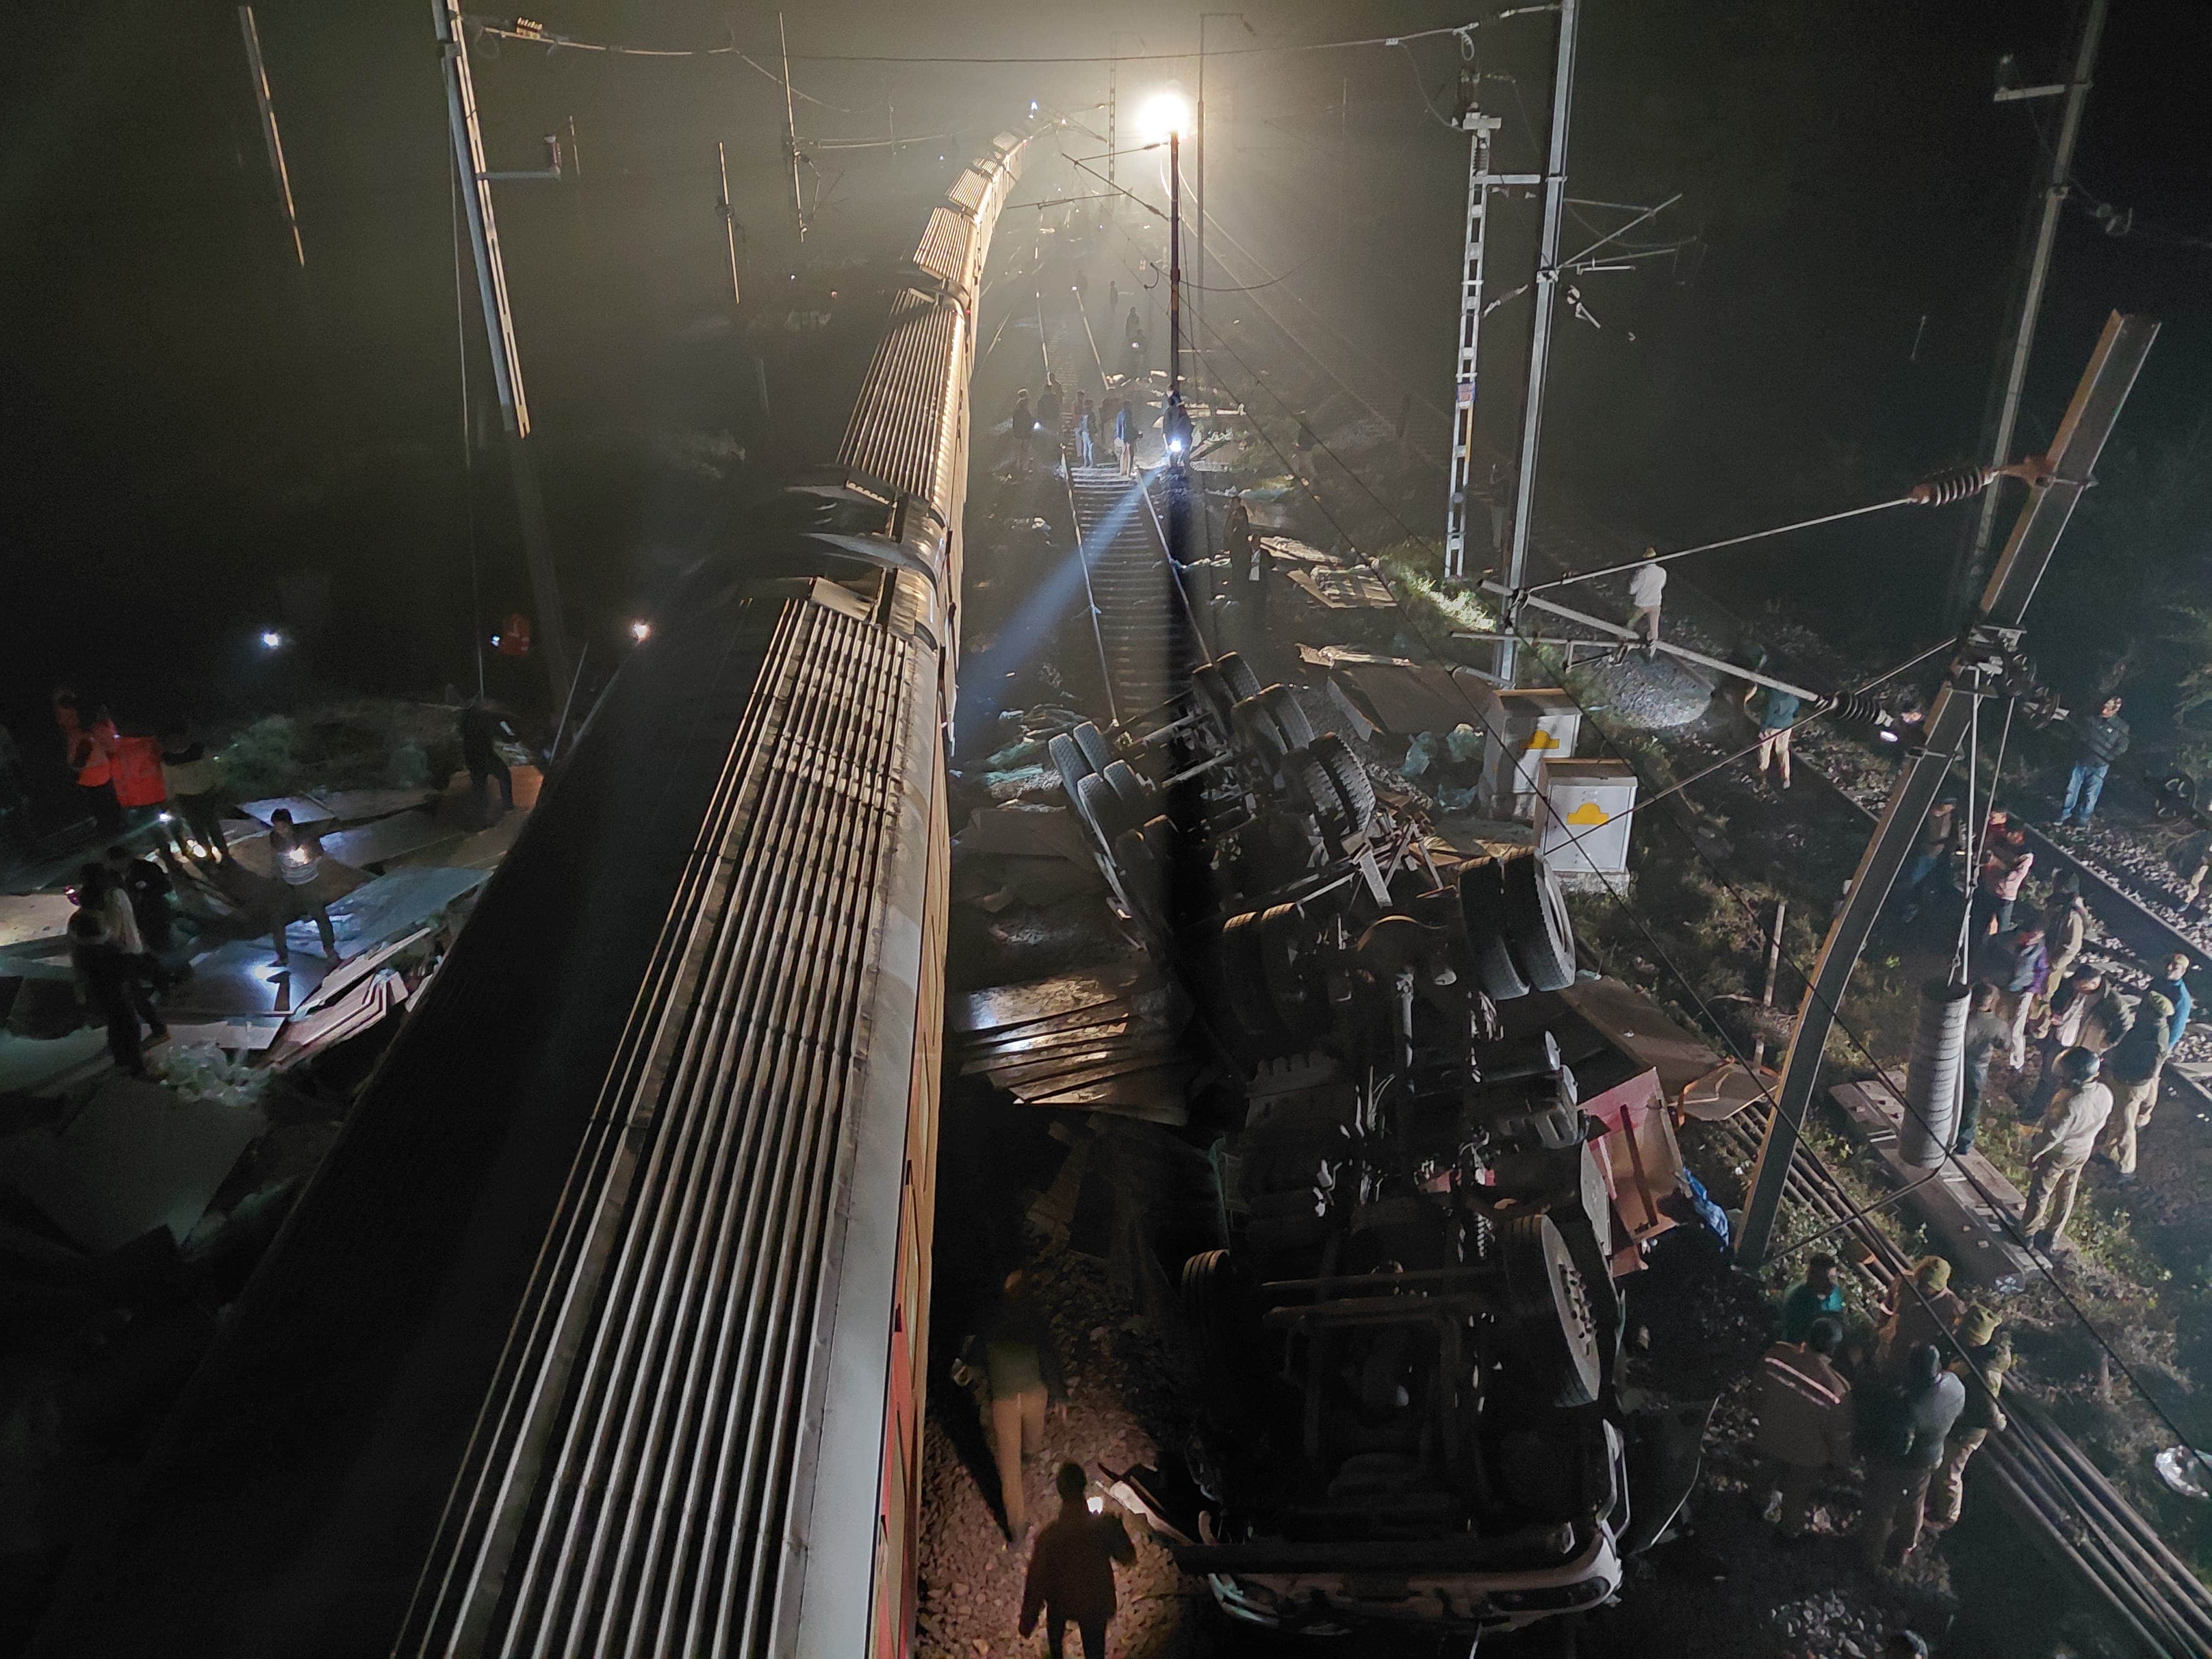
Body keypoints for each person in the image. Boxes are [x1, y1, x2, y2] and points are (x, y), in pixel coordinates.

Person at [964, 1269, 1065, 1540]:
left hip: (1008, 1401)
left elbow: (973, 1362)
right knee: (1026, 1448)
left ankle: (1017, 1528)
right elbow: (1049, 1358)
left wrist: (967, 1371)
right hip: (1030, 1397)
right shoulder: (1033, 1321)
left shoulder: (992, 1323)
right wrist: (1059, 1394)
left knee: (1011, 1467)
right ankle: (1029, 1461)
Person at [1854, 1342, 1966, 1570]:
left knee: (1883, 1506)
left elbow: (1900, 1447)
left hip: (1904, 1463)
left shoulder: (1911, 1407)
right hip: (1932, 1455)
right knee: (1915, 1501)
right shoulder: (1956, 1386)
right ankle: (1906, 1546)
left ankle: (1871, 1557)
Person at [1019, 1462, 1135, 1659]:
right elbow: (1128, 1557)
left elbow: (1036, 1581)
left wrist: (1027, 1622)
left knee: (1054, 1621)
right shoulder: (1104, 1526)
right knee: (1095, 1649)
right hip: (1096, 1603)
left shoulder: (1049, 1537)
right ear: (1084, 1485)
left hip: (1062, 1603)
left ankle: (1056, 1654)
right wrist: (1118, 1530)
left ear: (1060, 1491)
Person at [1753, 1315, 1853, 1540]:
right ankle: (1788, 1532)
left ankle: (1754, 1507)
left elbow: (1756, 1392)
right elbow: (1839, 1437)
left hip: (1769, 1436)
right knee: (1796, 1494)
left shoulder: (1776, 1356)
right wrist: (1840, 1464)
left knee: (1765, 1473)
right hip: (1805, 1457)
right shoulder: (1837, 1392)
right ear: (1833, 1349)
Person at [2022, 1049, 2113, 1251]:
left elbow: (2053, 1135)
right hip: (2084, 1150)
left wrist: (2035, 1153)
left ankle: (2027, 1233)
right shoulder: (2105, 1094)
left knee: (2041, 1193)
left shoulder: (2068, 1101)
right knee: (2066, 1193)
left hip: (2060, 1153)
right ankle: (2052, 1236)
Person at [1930, 1305, 2011, 1528]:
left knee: (1950, 1473)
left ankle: (1947, 1515)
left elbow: (1990, 1417)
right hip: (1951, 1419)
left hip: (1965, 1431)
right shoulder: (1965, 1352)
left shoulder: (1983, 1372)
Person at [69, 908, 159, 1076]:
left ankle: (122, 1060)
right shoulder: (105, 952)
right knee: (130, 1031)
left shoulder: (83, 952)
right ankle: (138, 1069)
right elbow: (127, 967)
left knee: (116, 1029)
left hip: (103, 997)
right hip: (118, 996)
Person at [2098, 988, 2171, 1180]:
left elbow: (2148, 1071)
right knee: (2119, 1119)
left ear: (2152, 1012)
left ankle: (2126, 1168)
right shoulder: (2148, 1026)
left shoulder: (2155, 1038)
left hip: (2131, 1085)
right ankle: (2108, 1152)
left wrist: (2126, 1077)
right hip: (2126, 1079)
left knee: (2126, 1127)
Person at [267, 808, 339, 964]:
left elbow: (320, 854)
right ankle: (282, 957)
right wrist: (275, 874)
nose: (280, 832)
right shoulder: (275, 838)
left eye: (283, 827)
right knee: (277, 919)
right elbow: (275, 857)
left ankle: (330, 951)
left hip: (308, 883)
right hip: (288, 883)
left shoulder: (305, 836)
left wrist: (309, 860)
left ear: (290, 824)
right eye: (277, 828)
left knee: (319, 915)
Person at [1976, 917, 2049, 1073]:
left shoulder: (2040, 950)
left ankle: (2017, 1063)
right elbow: (1987, 957)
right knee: (1993, 1018)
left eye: (2036, 938)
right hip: (1999, 986)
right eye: (2029, 936)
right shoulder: (2002, 940)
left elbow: (2041, 971)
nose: (2031, 941)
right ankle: (1985, 1051)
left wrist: (2033, 989)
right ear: (2021, 932)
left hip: (2023, 990)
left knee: (2017, 1027)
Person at [2055, 695, 2129, 828]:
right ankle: (2065, 814)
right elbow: (2081, 735)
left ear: (2115, 711)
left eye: (2108, 709)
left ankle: (2083, 819)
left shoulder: (2121, 727)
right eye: (2104, 707)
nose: (2104, 711)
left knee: (2091, 794)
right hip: (2082, 760)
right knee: (2071, 789)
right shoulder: (2092, 719)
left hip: (2100, 766)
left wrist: (2108, 757)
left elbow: (2122, 746)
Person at [1877, 1255, 1963, 1369]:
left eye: (1930, 1285)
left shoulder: (1952, 1309)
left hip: (1910, 1360)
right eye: (1921, 1281)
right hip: (1884, 1345)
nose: (1923, 1287)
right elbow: (1887, 1308)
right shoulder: (1904, 1281)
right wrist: (1880, 1329)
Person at [55, 691, 123, 835]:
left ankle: (109, 827)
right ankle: (114, 824)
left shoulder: (79, 733)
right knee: (106, 798)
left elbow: (81, 757)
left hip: (90, 771)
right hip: (100, 767)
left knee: (99, 800)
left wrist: (75, 769)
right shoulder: (86, 728)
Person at [158, 725, 230, 860]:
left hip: (196, 795)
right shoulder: (196, 750)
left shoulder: (170, 757)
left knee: (204, 827)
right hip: (197, 794)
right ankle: (217, 855)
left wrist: (170, 800)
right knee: (207, 826)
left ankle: (217, 856)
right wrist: (220, 785)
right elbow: (213, 769)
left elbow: (169, 782)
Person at [1957, 983, 2008, 1155]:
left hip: (1956, 1062)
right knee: (1971, 1105)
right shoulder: (1998, 1025)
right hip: (1979, 1068)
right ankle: (1963, 1143)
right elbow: (2006, 1045)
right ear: (1992, 1002)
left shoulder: (1962, 1017)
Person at [105, 843, 175, 954]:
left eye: (119, 861)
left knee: (164, 944)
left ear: (127, 858)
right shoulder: (111, 878)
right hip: (134, 920)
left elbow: (165, 886)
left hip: (156, 914)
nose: (117, 865)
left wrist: (145, 894)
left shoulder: (147, 869)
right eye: (113, 863)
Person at [1896, 798, 1958, 924]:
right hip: (1924, 853)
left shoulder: (1950, 819)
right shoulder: (1931, 814)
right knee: (1909, 881)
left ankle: (1910, 909)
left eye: (1948, 805)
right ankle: (1903, 907)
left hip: (1934, 856)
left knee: (1916, 882)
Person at [459, 699, 517, 822]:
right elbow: (500, 732)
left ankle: (482, 814)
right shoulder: (486, 718)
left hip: (471, 757)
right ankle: (508, 807)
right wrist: (510, 736)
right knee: (504, 775)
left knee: (480, 785)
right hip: (485, 756)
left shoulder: (465, 718)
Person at [1972, 825, 2033, 938]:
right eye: (2008, 832)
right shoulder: (2000, 840)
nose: (2009, 835)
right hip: (1988, 889)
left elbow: (2012, 877)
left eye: (2013, 833)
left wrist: (1995, 862)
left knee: (2001, 933)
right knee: (1977, 924)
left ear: (2021, 834)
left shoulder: (2026, 854)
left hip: (2004, 897)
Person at [1778, 1252, 1845, 1343]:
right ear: (1812, 1277)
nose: (1831, 1284)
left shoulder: (1832, 1295)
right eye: (1825, 1278)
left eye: (1833, 1277)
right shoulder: (1800, 1299)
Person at [1755, 680, 1802, 788]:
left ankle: (1762, 770)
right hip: (1787, 726)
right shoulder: (1793, 698)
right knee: (1782, 750)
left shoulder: (1774, 696)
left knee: (1765, 748)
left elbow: (1769, 714)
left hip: (1773, 726)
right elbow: (1796, 712)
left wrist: (1763, 729)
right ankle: (1786, 777)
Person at [1628, 548, 1666, 655]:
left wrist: (1633, 579)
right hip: (1656, 604)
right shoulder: (1662, 572)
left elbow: (1632, 590)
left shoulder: (1643, 573)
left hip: (1641, 604)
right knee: (1654, 631)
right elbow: (1661, 586)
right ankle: (1651, 652)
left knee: (1630, 623)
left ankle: (1622, 641)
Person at [1037, 376, 1064, 470]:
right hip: (1050, 421)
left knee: (1050, 438)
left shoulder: (1043, 400)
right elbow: (1057, 410)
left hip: (1049, 421)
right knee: (1052, 437)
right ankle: (1053, 454)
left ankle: (1052, 454)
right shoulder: (1052, 399)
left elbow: (1040, 411)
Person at [1010, 389, 1038, 478]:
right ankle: (1024, 467)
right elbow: (1030, 423)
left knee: (1018, 451)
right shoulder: (1027, 413)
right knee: (1025, 451)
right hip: (1026, 435)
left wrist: (1015, 432)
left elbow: (1014, 423)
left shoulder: (1016, 412)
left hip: (1018, 435)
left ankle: (1018, 466)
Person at [1111, 396, 1133, 477]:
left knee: (1124, 454)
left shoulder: (1119, 414)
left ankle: (1122, 471)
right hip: (1128, 436)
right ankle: (1128, 472)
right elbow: (1129, 426)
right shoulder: (1129, 414)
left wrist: (1119, 436)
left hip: (1122, 436)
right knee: (1130, 454)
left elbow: (1118, 426)